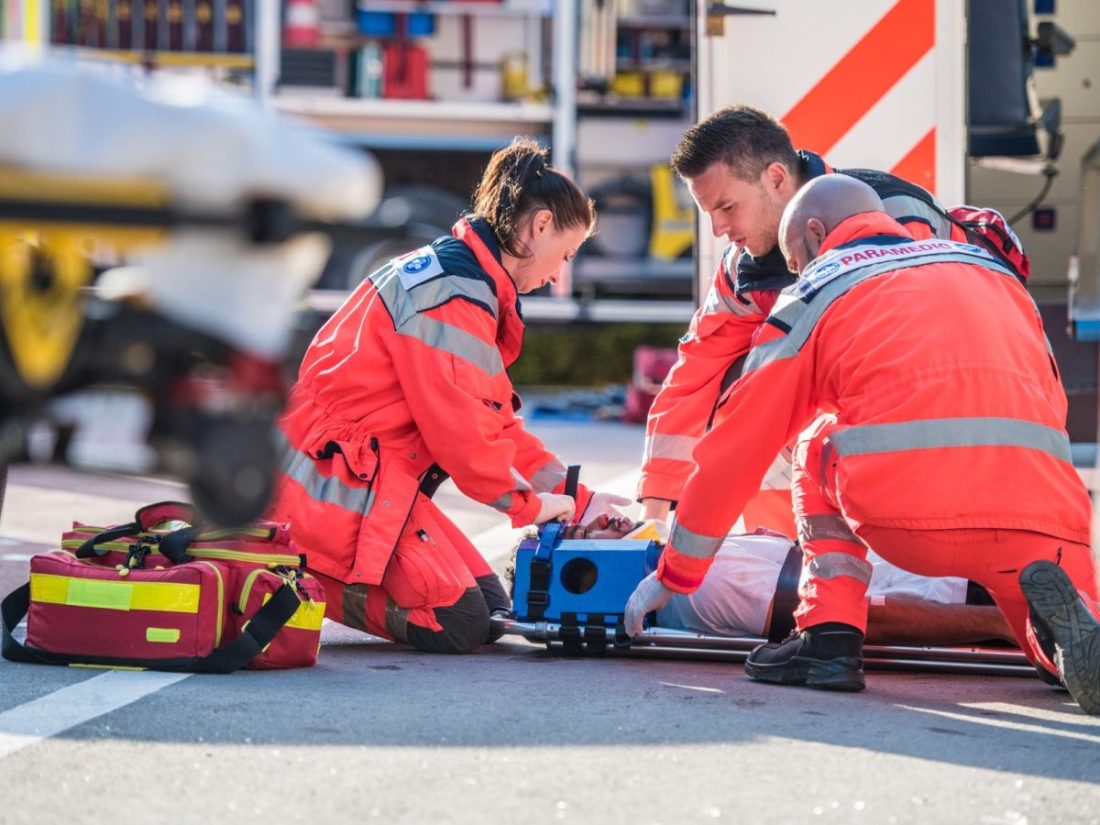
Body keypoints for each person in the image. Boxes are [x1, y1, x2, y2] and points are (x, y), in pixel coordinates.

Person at [624, 175, 1100, 715]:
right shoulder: (991, 271)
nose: (796, 270)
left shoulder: (818, 287)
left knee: (815, 441)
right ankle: (1060, 654)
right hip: (1048, 519)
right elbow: (1051, 402)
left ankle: (828, 638)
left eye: (794, 257)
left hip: (912, 521)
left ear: (814, 233)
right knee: (1052, 640)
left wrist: (677, 571)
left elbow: (739, 444)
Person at [269, 138, 628, 654]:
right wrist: (531, 506)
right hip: (332, 488)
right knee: (459, 622)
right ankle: (301, 568)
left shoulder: (465, 282)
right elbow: (467, 442)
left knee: (492, 612)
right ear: (540, 225)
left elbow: (495, 425)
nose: (557, 276)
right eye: (565, 255)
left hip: (361, 479)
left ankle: (313, 558)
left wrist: (580, 500)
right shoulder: (454, 296)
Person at [637, 105, 1013, 538]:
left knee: (785, 402)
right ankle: (783, 558)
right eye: (710, 213)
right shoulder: (744, 266)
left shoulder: (895, 220)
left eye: (727, 207)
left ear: (776, 179)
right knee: (741, 393)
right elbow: (695, 375)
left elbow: (917, 365)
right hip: (901, 412)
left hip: (957, 411)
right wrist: (654, 516)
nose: (719, 228)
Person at [655, 532, 1013, 646]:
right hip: (960, 590)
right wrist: (1000, 623)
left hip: (963, 563)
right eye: (598, 524)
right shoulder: (703, 587)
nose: (610, 516)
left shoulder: (696, 559)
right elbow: (852, 617)